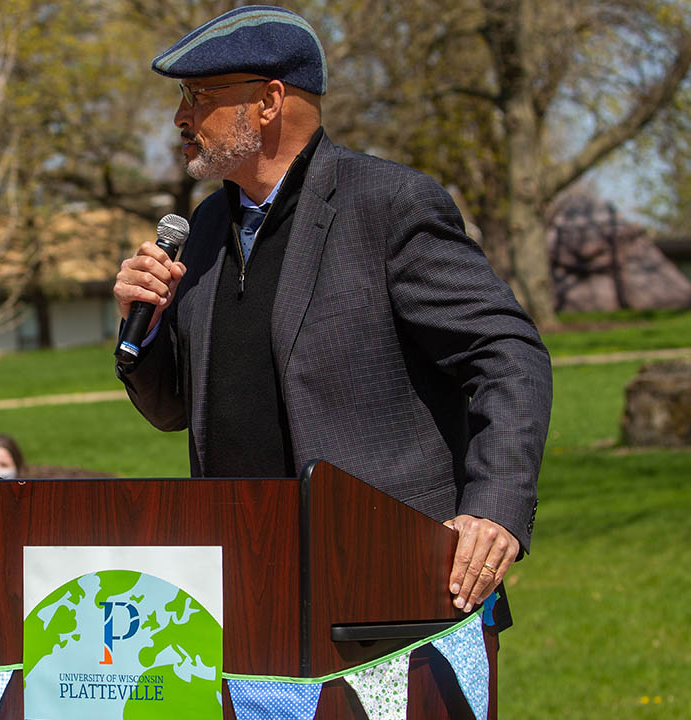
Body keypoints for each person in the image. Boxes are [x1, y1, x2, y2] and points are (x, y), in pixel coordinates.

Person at [113, 6, 551, 639]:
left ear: (268, 102)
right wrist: (143, 327)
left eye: (199, 95)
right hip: (241, 599)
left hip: (387, 602)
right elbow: (174, 409)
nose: (180, 117)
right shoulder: (204, 231)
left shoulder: (388, 206)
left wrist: (495, 510)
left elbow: (510, 354)